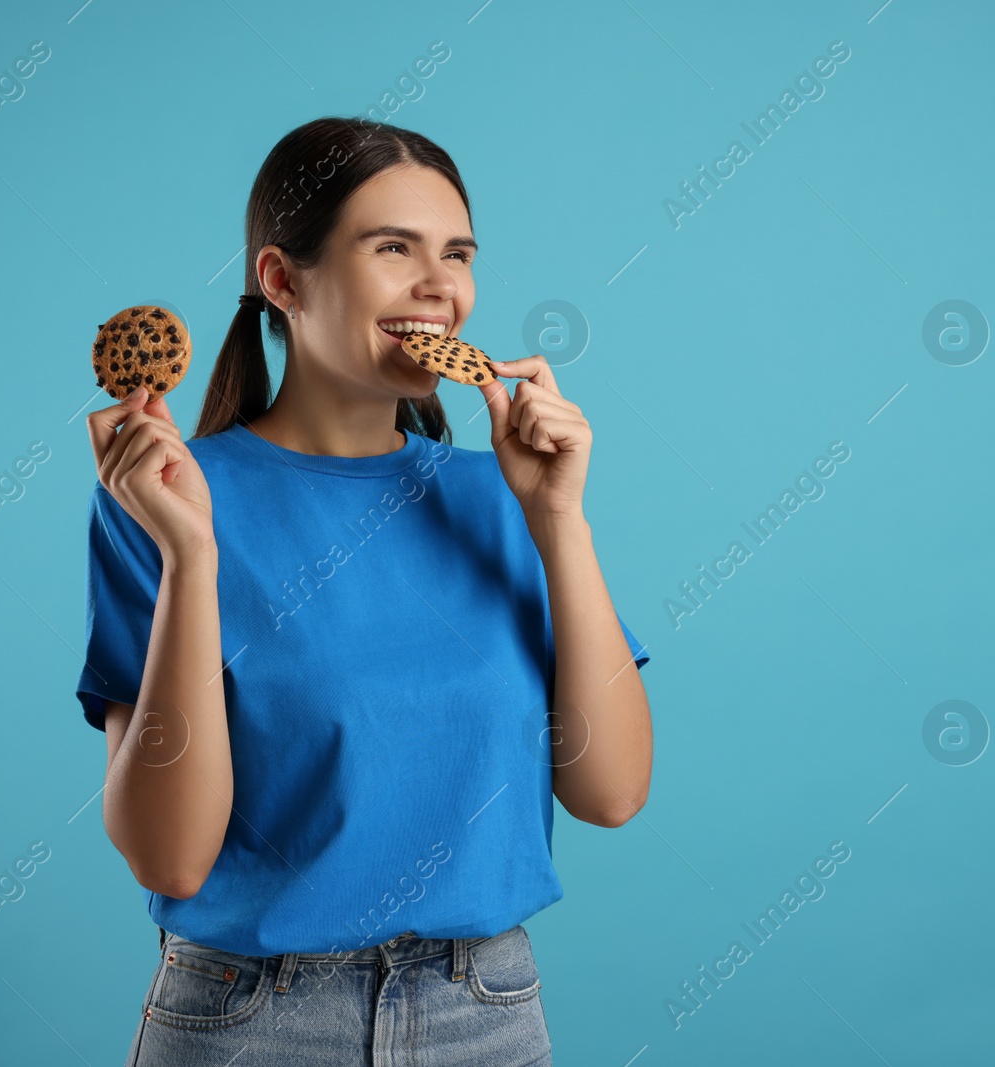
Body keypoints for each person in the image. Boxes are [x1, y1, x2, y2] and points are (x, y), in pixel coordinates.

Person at [77, 116, 652, 1066]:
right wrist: (191, 557)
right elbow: (169, 855)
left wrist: (559, 519)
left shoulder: (499, 495)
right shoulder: (171, 499)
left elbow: (613, 789)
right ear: (281, 279)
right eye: (393, 248)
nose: (440, 286)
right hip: (248, 1021)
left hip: (487, 1014)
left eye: (457, 254)